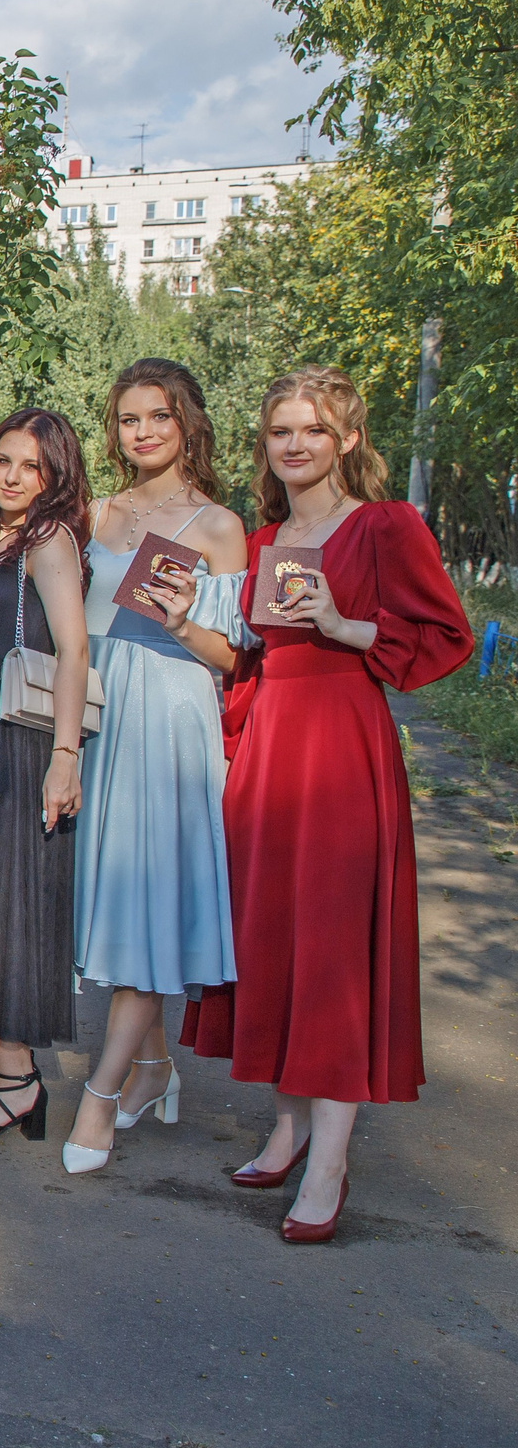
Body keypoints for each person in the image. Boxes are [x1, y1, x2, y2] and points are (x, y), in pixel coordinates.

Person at [183, 366, 471, 1242]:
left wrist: (350, 629)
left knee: (337, 946)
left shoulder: (386, 525)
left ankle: (333, 1161)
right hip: (271, 745)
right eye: (280, 432)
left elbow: (446, 635)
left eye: (313, 429)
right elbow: (254, 661)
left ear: (347, 438)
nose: (295, 444)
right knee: (276, 938)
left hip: (345, 742)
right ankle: (291, 1123)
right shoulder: (265, 535)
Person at [60, 361, 246, 1174]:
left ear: (188, 423)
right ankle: (153, 1066)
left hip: (169, 710)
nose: (142, 432)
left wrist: (181, 622)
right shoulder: (96, 511)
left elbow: (232, 659)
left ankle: (100, 1097)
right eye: (129, 419)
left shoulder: (217, 524)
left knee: (146, 897)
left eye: (158, 417)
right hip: (99, 707)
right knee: (113, 895)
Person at [0, 409, 94, 1142]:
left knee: (11, 896)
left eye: (30, 467)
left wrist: (64, 759)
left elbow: (72, 650)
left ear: (55, 476)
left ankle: (17, 1074)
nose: (12, 477)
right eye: (3, 461)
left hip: (18, 732)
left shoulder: (49, 540)